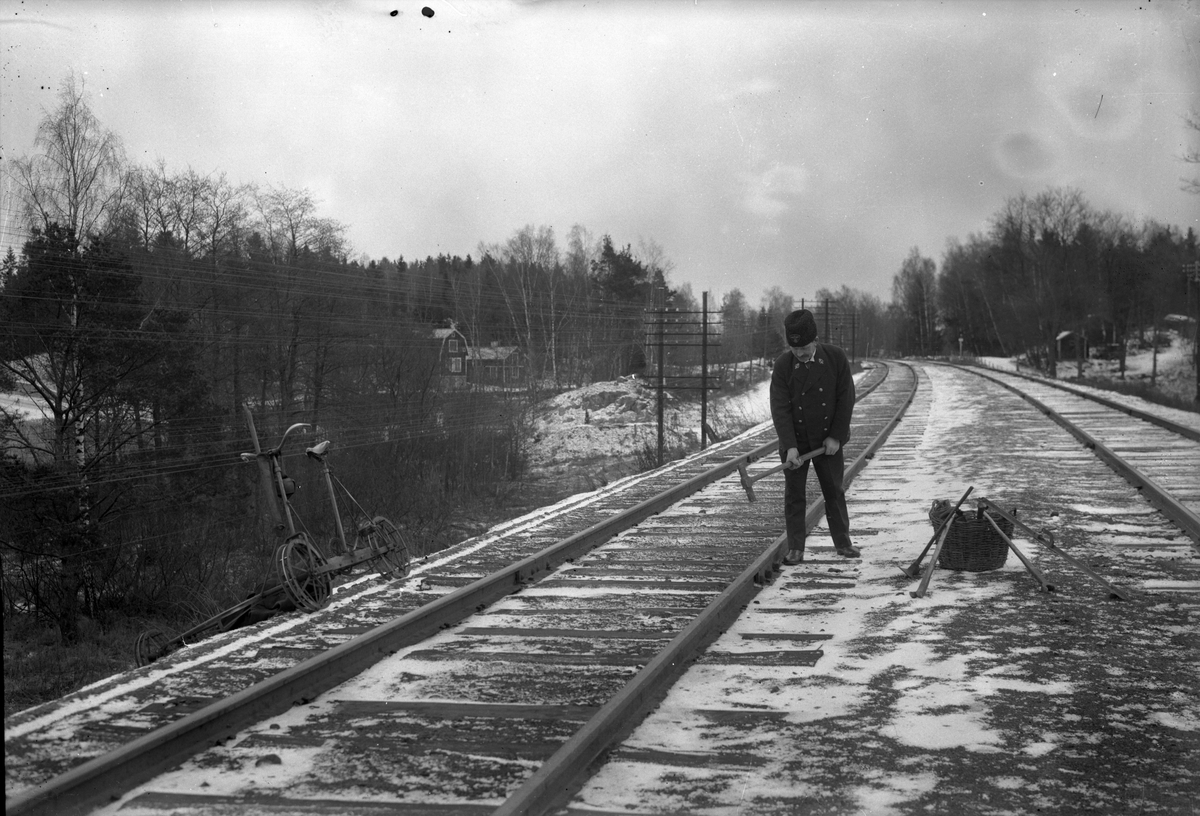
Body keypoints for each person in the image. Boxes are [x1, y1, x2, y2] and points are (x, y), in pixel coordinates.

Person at [769, 308, 859, 565]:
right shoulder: (783, 366)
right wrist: (790, 446)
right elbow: (780, 409)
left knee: (834, 491)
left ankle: (843, 543)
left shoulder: (835, 358)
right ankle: (795, 548)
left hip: (827, 441)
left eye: (804, 347)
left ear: (816, 340)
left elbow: (845, 399)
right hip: (796, 441)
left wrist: (836, 436)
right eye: (795, 348)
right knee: (794, 495)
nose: (800, 353)